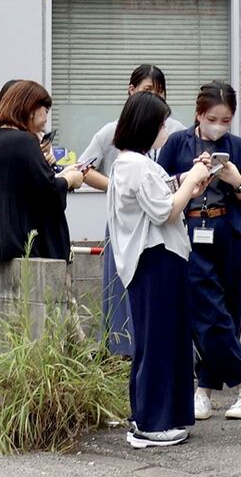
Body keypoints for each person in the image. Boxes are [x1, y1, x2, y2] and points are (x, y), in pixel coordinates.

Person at [107, 91, 212, 448]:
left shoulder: (128, 162)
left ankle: (149, 417)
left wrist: (189, 183)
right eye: (162, 123)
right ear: (147, 126)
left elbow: (162, 197)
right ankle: (153, 424)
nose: (166, 129)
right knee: (161, 341)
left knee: (156, 340)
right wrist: (192, 179)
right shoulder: (137, 165)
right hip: (157, 259)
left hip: (151, 260)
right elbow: (165, 211)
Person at [158, 82, 241, 421]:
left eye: (226, 120)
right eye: (213, 119)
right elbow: (161, 186)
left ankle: (203, 390)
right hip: (190, 230)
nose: (219, 126)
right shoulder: (178, 142)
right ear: (199, 114)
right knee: (208, 314)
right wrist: (191, 175)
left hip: (229, 232)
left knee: (228, 313)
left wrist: (235, 179)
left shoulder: (239, 147)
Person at [79, 64, 186, 356]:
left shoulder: (175, 130)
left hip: (163, 224)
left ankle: (146, 352)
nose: (155, 97)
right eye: (148, 90)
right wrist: (119, 187)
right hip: (129, 220)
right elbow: (83, 169)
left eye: (161, 92)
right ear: (131, 90)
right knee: (121, 285)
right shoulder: (114, 133)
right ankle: (121, 350)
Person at [0, 80, 84, 265]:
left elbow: (27, 188)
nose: (46, 120)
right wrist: (70, 179)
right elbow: (48, 193)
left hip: (4, 244)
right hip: (29, 248)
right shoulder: (25, 141)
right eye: (45, 110)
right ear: (31, 109)